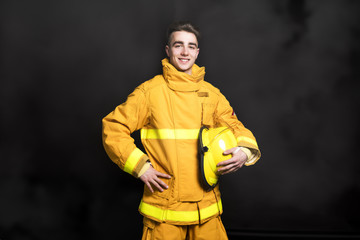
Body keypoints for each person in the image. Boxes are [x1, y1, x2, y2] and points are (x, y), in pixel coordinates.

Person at [102, 21, 261, 240]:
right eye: (178, 45)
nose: (185, 52)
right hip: (164, 211)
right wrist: (141, 167)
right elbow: (113, 127)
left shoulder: (212, 94)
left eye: (190, 46)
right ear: (168, 50)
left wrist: (244, 151)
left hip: (207, 210)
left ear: (197, 52)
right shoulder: (150, 92)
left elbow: (236, 127)